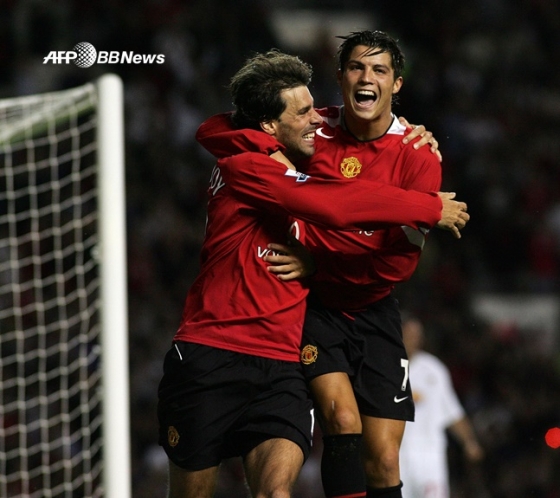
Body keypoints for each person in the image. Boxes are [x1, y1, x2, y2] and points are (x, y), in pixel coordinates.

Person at [157, 50, 469, 498]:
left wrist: (403, 131)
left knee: (277, 492)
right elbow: (335, 204)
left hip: (281, 364)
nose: (317, 119)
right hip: (214, 354)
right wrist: (430, 207)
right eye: (303, 112)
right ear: (269, 125)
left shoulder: (289, 157)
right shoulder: (248, 166)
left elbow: (213, 127)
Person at [400, 315, 484, 498]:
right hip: (396, 454)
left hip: (429, 455)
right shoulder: (386, 368)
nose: (414, 339)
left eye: (417, 335)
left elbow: (452, 412)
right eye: (409, 334)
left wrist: (469, 441)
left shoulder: (433, 369)